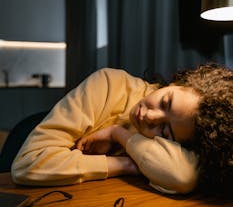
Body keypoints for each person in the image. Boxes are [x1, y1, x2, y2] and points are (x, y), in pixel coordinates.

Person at [11, 63, 233, 195]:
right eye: (165, 103)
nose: (149, 117)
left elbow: (183, 177)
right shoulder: (108, 84)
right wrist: (129, 163)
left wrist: (119, 135)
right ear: (177, 82)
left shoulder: (183, 136)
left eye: (165, 131)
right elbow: (27, 164)